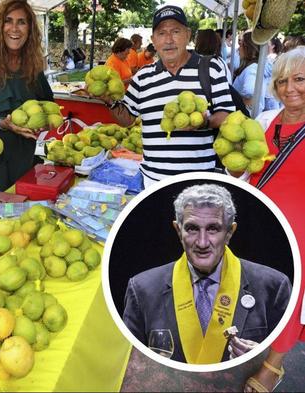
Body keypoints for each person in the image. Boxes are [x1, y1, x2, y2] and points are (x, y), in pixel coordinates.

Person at [123, 184, 292, 364]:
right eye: (192, 229)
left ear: (229, 232)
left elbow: (291, 357)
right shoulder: (142, 289)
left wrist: (262, 359)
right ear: (178, 231)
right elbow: (126, 361)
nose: (202, 242)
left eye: (213, 229)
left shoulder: (273, 287)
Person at [106, 5, 235, 188]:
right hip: (153, 182)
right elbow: (127, 119)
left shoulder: (210, 68)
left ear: (188, 35)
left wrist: (204, 123)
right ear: (153, 40)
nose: (168, 40)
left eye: (175, 31)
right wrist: (108, 100)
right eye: (161, 33)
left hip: (199, 182)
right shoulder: (143, 76)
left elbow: (227, 114)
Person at [241, 46, 305, 393]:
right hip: (262, 221)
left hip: (300, 232)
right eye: (282, 80)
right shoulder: (266, 122)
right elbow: (248, 173)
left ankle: (272, 366)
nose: (289, 88)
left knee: (290, 293)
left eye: (299, 79)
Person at [0, 0, 53, 206]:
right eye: (8, 21)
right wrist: (2, 123)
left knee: (22, 209)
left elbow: (47, 106)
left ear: (30, 29)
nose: (14, 28)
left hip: (24, 150)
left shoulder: (34, 63)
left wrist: (43, 122)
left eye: (22, 22)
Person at [233, 31, 267, 115]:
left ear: (248, 48)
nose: (238, 49)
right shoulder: (253, 67)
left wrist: (237, 101)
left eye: (241, 45)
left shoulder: (252, 68)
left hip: (245, 117)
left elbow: (250, 91)